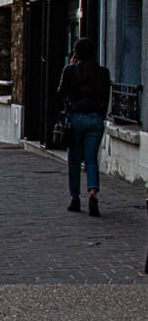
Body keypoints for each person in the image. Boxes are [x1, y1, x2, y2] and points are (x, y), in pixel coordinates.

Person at [57, 37, 111, 216]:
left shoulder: (71, 71)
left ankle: (75, 197)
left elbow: (60, 93)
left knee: (74, 160)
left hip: (76, 118)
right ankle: (93, 193)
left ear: (77, 53)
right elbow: (105, 98)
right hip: (95, 118)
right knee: (91, 159)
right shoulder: (103, 72)